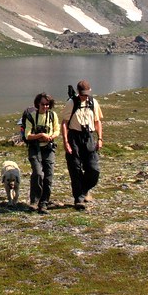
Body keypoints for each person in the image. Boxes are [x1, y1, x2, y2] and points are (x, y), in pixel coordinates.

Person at [61, 79, 103, 210]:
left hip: (89, 136)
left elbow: (97, 121)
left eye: (86, 93)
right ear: (78, 92)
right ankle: (78, 199)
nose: (84, 96)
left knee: (94, 169)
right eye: (82, 94)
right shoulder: (71, 103)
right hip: (74, 136)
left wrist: (100, 138)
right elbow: (64, 123)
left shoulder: (93, 102)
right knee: (75, 169)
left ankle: (84, 189)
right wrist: (66, 142)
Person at [23, 92, 59, 214]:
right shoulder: (31, 116)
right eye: (43, 104)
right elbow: (27, 135)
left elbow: (57, 130)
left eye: (48, 104)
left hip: (48, 148)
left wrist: (50, 136)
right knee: (38, 174)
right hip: (35, 149)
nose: (45, 107)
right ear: (38, 104)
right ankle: (34, 201)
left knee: (48, 176)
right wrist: (40, 135)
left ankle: (44, 203)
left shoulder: (53, 116)